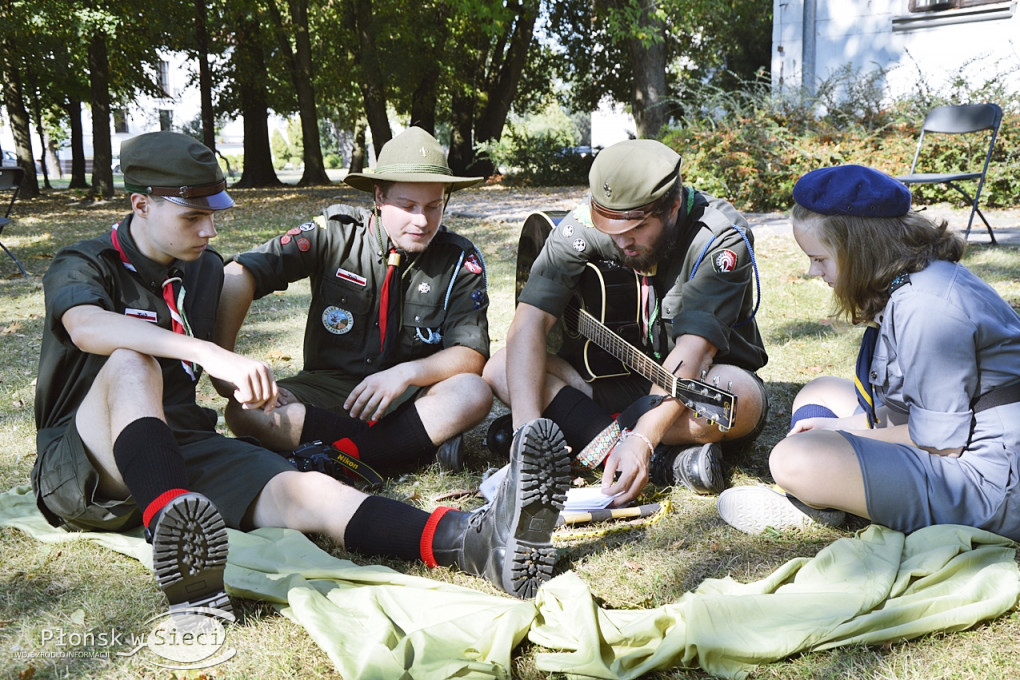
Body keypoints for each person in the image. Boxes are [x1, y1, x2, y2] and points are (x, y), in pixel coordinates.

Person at [30, 130, 572, 613]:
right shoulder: (85, 262)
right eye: (193, 217)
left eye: (213, 215)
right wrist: (213, 355)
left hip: (182, 448)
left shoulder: (202, 270)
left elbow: (469, 356)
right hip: (84, 465)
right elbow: (87, 327)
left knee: (308, 492)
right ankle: (174, 538)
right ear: (140, 205)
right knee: (131, 362)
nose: (210, 230)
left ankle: (469, 544)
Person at [717, 165, 1020, 541]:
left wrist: (843, 430)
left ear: (859, 250)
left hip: (988, 480)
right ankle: (834, 493)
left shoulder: (926, 308)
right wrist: (843, 429)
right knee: (820, 391)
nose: (814, 272)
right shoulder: (913, 278)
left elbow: (942, 444)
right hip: (957, 439)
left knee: (791, 459)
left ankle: (817, 503)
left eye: (820, 258)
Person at [483, 139, 769, 507]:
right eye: (610, 227)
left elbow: (693, 353)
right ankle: (665, 463)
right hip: (609, 382)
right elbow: (529, 323)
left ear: (673, 207)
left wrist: (643, 440)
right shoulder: (589, 224)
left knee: (736, 401)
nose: (621, 241)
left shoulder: (720, 240)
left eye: (635, 229)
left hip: (694, 388)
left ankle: (602, 441)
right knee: (499, 368)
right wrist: (526, 432)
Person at [214, 126, 492, 476]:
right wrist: (223, 367)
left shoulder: (459, 259)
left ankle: (340, 455)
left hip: (411, 398)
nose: (422, 220)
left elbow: (470, 354)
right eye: (407, 206)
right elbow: (240, 274)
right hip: (326, 389)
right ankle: (405, 449)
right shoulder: (335, 233)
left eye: (434, 206)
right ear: (379, 196)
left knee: (473, 392)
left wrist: (405, 374)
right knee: (243, 411)